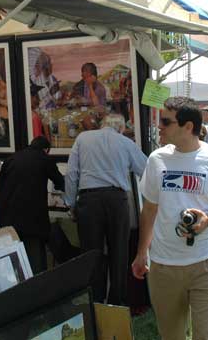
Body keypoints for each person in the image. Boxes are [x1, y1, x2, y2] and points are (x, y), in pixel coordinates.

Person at [132, 96, 208, 340]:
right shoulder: (157, 159)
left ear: (188, 126)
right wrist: (142, 253)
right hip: (164, 267)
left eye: (165, 121)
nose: (159, 127)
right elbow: (150, 209)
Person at [65, 113, 147, 305]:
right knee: (119, 252)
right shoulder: (125, 142)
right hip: (116, 200)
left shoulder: (83, 138)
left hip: (89, 199)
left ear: (102, 125)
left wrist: (71, 203)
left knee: (91, 253)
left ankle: (95, 301)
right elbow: (147, 170)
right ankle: (117, 302)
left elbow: (71, 173)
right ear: (120, 128)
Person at [0, 136, 65, 273]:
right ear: (46, 149)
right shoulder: (45, 159)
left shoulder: (11, 159)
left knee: (14, 256)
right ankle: (37, 286)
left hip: (9, 217)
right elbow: (60, 183)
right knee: (36, 257)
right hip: (33, 217)